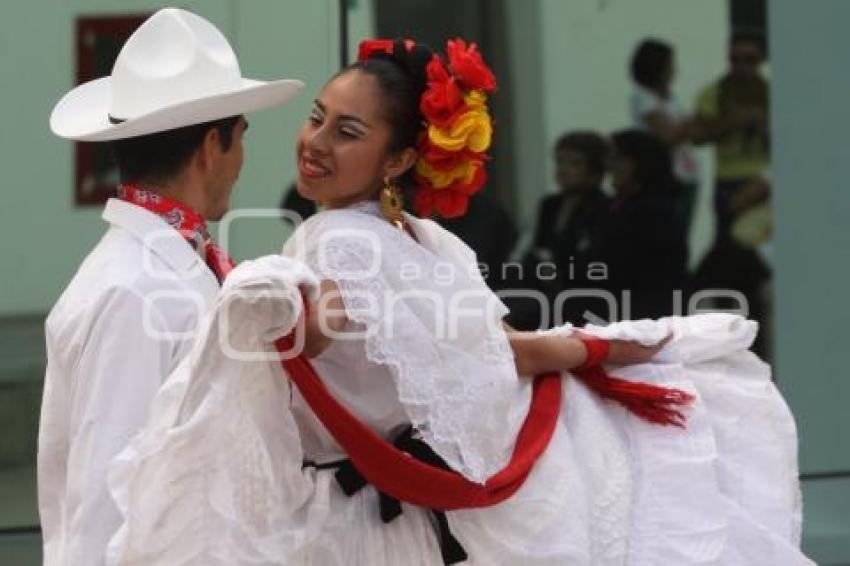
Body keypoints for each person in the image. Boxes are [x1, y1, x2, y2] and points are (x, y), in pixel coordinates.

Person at [105, 39, 812, 565]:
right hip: (370, 515)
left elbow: (494, 346)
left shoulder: (413, 238)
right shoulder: (337, 241)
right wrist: (597, 348)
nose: (314, 143)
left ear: (401, 161)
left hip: (400, 512)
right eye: (317, 118)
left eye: (347, 132)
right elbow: (475, 353)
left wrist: (594, 349)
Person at [38, 8, 303, 565]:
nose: (242, 161)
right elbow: (104, 506)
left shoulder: (166, 270)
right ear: (213, 147)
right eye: (241, 139)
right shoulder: (133, 292)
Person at [691, 30, 771, 356]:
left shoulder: (771, 93)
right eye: (735, 60)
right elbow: (697, 135)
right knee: (732, 260)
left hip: (762, 183)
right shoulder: (715, 93)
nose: (742, 67)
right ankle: (734, 332)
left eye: (749, 60)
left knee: (739, 259)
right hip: (727, 184)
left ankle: (745, 335)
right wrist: (732, 121)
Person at [523, 131, 610, 327]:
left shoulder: (603, 207)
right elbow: (537, 247)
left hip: (584, 296)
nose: (563, 170)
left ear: (595, 171)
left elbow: (592, 263)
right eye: (560, 162)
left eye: (575, 164)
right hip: (544, 290)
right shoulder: (549, 205)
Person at [629, 38, 699, 233]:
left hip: (687, 173)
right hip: (667, 176)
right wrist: (692, 123)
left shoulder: (670, 98)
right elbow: (667, 136)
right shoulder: (643, 98)